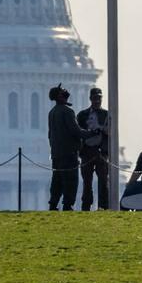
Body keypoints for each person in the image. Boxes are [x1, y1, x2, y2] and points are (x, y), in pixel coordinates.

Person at [46, 83, 92, 211]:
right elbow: (75, 131)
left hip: (56, 153)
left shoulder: (52, 112)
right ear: (59, 96)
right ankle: (67, 205)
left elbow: (50, 133)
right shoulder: (67, 111)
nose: (66, 93)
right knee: (70, 180)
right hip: (68, 152)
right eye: (63, 92)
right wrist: (91, 133)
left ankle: (53, 204)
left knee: (57, 179)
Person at [77, 87, 111, 211]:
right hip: (87, 151)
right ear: (90, 98)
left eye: (99, 98)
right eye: (95, 98)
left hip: (101, 151)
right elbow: (78, 133)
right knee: (87, 181)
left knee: (103, 180)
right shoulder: (82, 115)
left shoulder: (107, 114)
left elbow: (111, 131)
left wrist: (100, 128)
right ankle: (86, 205)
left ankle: (103, 206)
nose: (97, 101)